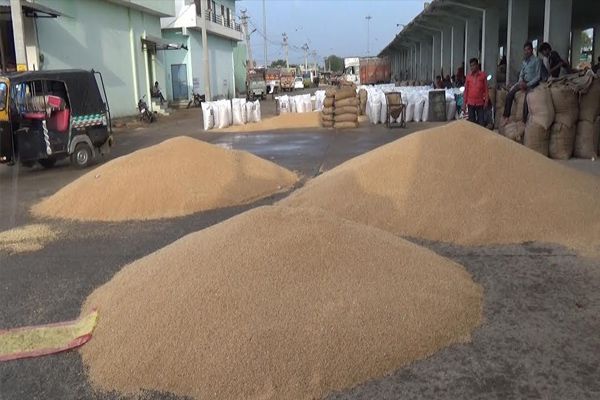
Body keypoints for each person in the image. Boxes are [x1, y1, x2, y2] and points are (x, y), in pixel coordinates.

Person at [503, 42, 542, 122]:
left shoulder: (537, 60)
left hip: (532, 83)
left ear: (532, 50)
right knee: (509, 94)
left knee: (527, 99)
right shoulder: (524, 61)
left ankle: (524, 121)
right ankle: (506, 116)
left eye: (528, 50)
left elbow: (538, 76)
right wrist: (520, 82)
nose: (526, 52)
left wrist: (527, 85)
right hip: (523, 82)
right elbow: (521, 73)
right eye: (525, 50)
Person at [462, 58, 489, 126]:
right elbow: (466, 90)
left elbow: (486, 89)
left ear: (477, 65)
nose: (472, 67)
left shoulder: (483, 75)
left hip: (480, 103)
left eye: (473, 65)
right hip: (470, 103)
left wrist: (486, 101)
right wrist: (464, 104)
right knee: (472, 123)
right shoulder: (468, 77)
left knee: (481, 123)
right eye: (471, 66)